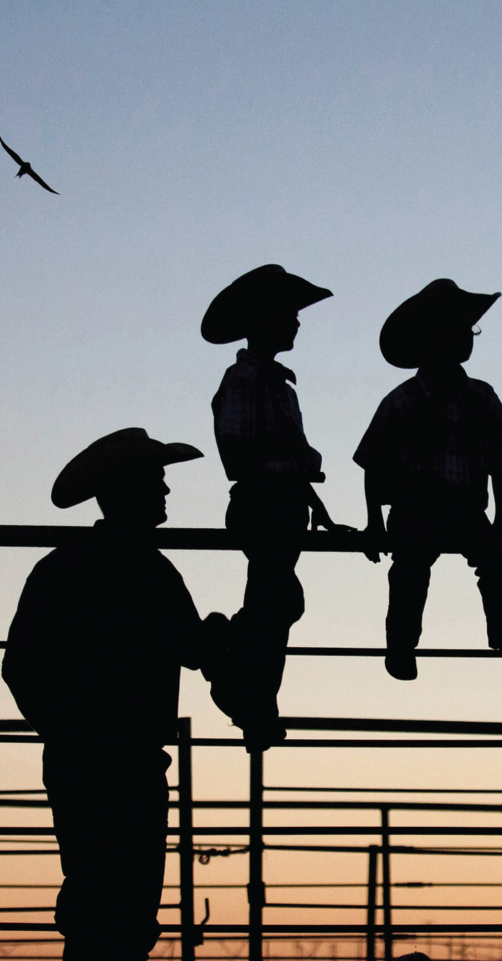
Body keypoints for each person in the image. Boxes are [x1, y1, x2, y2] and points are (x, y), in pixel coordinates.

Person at [1, 428, 209, 961]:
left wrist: (66, 729)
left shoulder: (67, 569)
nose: (167, 488)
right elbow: (197, 651)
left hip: (93, 759)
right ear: (128, 492)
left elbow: (21, 669)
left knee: (103, 894)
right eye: (155, 480)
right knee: (121, 898)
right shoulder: (151, 571)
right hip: (121, 760)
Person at [355, 279, 502, 680]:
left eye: (467, 331)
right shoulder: (404, 399)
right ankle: (401, 644)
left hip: (467, 508)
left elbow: (500, 461)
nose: (465, 338)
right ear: (431, 338)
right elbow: (374, 463)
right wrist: (373, 520)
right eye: (457, 330)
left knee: (495, 563)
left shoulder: (480, 396)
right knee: (412, 565)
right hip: (414, 505)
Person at [202, 264, 343, 750]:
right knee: (277, 602)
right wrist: (294, 477)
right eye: (289, 312)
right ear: (262, 317)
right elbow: (240, 455)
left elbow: (282, 463)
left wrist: (315, 507)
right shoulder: (245, 378)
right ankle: (248, 697)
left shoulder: (276, 383)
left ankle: (246, 693)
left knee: (273, 603)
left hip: (281, 506)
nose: (297, 322)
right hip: (262, 504)